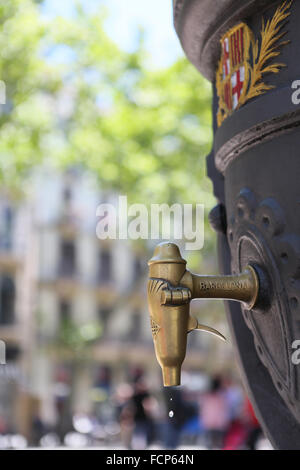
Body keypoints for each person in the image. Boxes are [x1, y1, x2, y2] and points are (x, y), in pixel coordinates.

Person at [200, 375, 229, 449]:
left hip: (208, 423)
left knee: (209, 444)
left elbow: (203, 410)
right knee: (219, 444)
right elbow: (224, 410)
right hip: (219, 423)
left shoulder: (206, 396)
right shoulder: (222, 396)